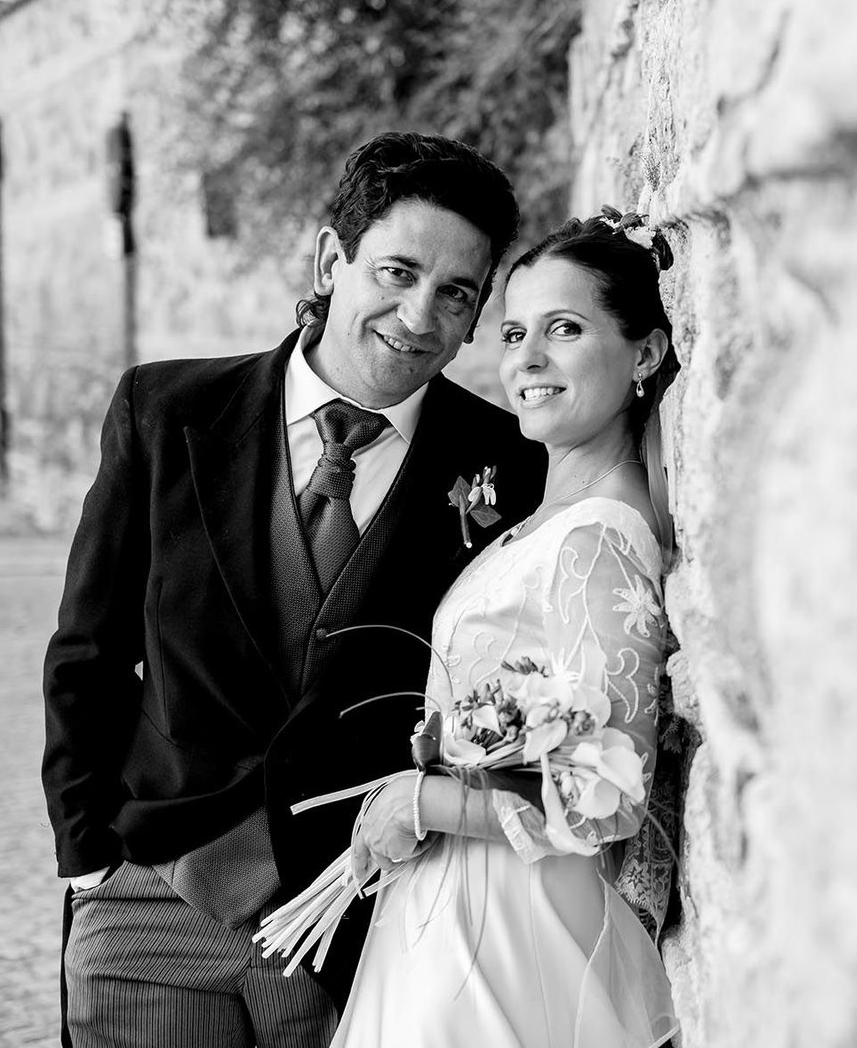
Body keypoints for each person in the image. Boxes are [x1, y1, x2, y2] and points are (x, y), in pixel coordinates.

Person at [42, 132, 547, 1047]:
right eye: (396, 271)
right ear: (330, 259)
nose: (419, 313)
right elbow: (88, 649)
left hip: (367, 926)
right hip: (155, 903)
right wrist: (89, 864)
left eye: (457, 293)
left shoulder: (509, 464)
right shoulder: (166, 413)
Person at [325, 210, 681, 1047]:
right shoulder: (541, 521)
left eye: (565, 329)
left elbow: (612, 799)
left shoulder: (597, 538)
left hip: (512, 930)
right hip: (456, 909)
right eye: (515, 330)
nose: (525, 359)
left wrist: (424, 798)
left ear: (648, 353)